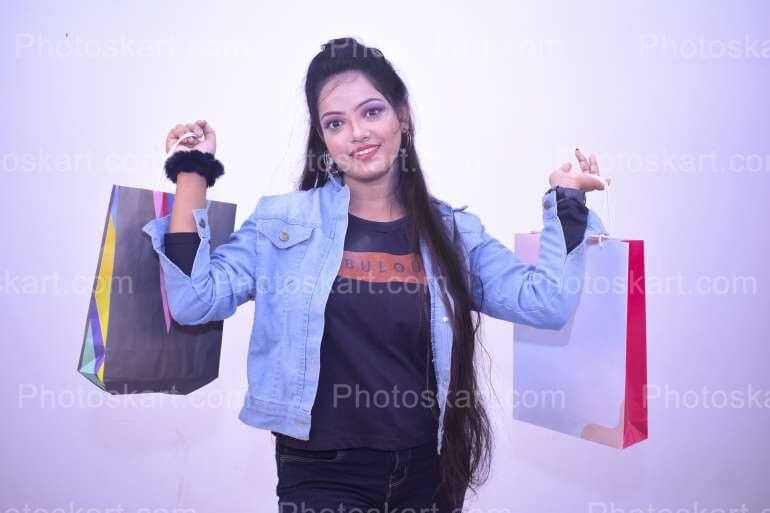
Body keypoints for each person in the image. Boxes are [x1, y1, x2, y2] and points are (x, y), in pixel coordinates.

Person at [142, 36, 608, 513]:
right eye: (335, 123)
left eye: (371, 112)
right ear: (323, 138)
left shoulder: (451, 231)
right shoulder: (282, 223)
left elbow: (546, 303)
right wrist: (192, 171)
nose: (357, 134)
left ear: (401, 116)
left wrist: (567, 201)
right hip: (322, 473)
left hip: (430, 471)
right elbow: (195, 299)